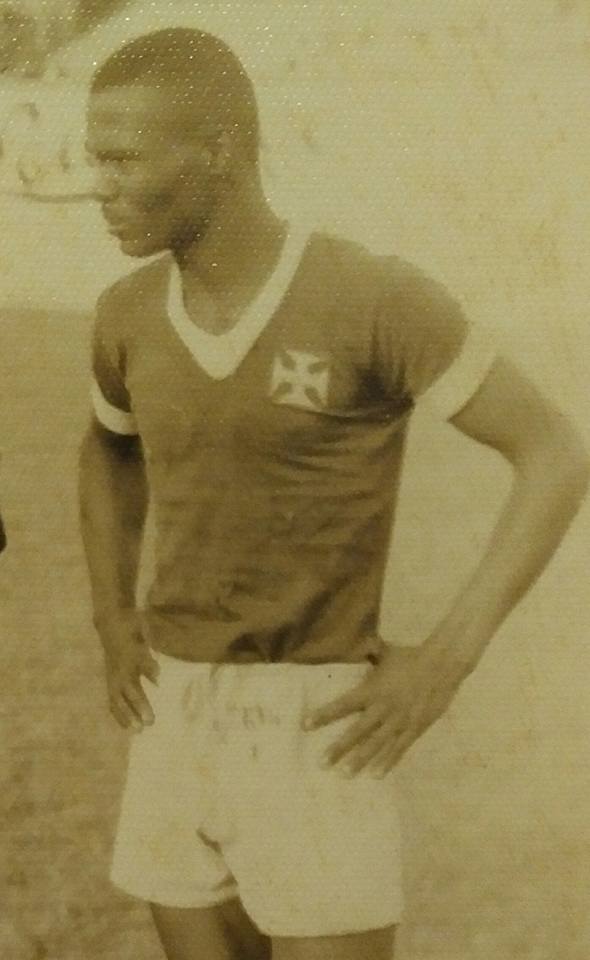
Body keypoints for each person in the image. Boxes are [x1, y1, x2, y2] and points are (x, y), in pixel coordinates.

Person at [78, 27, 589, 960]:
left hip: (316, 721)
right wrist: (114, 618)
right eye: (94, 159)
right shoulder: (126, 314)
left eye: (122, 159)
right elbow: (109, 448)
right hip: (173, 711)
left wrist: (446, 660)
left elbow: (554, 452)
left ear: (220, 150)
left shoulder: (372, 297)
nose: (98, 186)